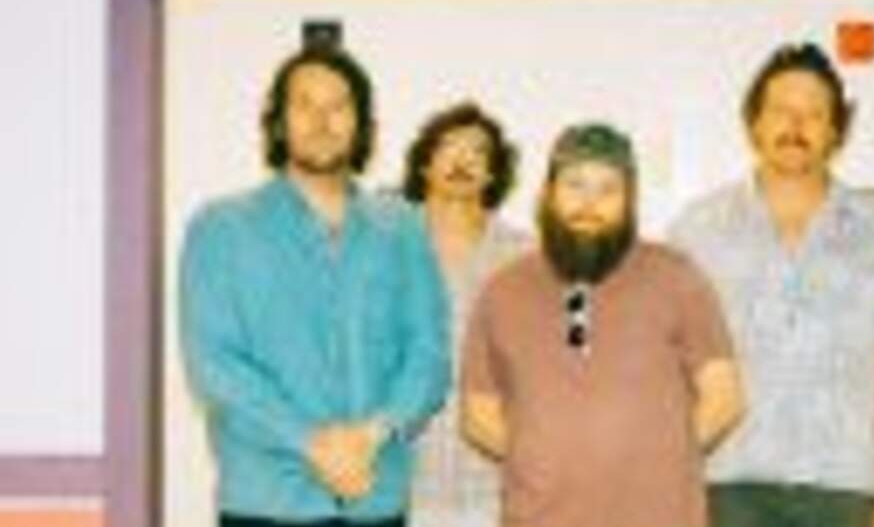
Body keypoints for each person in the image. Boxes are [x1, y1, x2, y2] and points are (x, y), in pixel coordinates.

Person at [179, 39, 449, 526]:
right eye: (304, 105)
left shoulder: (403, 228)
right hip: (266, 504)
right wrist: (310, 443)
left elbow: (428, 357)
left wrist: (371, 435)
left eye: (339, 106)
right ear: (279, 122)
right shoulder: (221, 229)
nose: (322, 120)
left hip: (376, 501)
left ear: (362, 124)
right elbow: (215, 366)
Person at [670, 43, 874, 527]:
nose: (795, 125)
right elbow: (671, 363)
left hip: (844, 491)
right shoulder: (698, 229)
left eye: (813, 114)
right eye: (780, 110)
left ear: (835, 131)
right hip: (726, 488)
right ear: (754, 123)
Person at [460, 123, 745, 527]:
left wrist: (661, 463)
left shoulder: (677, 278)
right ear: (548, 193)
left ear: (630, 201)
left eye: (608, 190)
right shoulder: (503, 291)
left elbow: (725, 397)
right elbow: (478, 413)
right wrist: (541, 461)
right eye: (575, 185)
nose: (589, 204)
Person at [398, 101, 530, 527]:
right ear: (424, 165)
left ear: (493, 173)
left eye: (478, 152)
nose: (462, 160)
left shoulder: (525, 256)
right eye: (449, 147)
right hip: (402, 480)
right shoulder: (385, 245)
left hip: (495, 482)